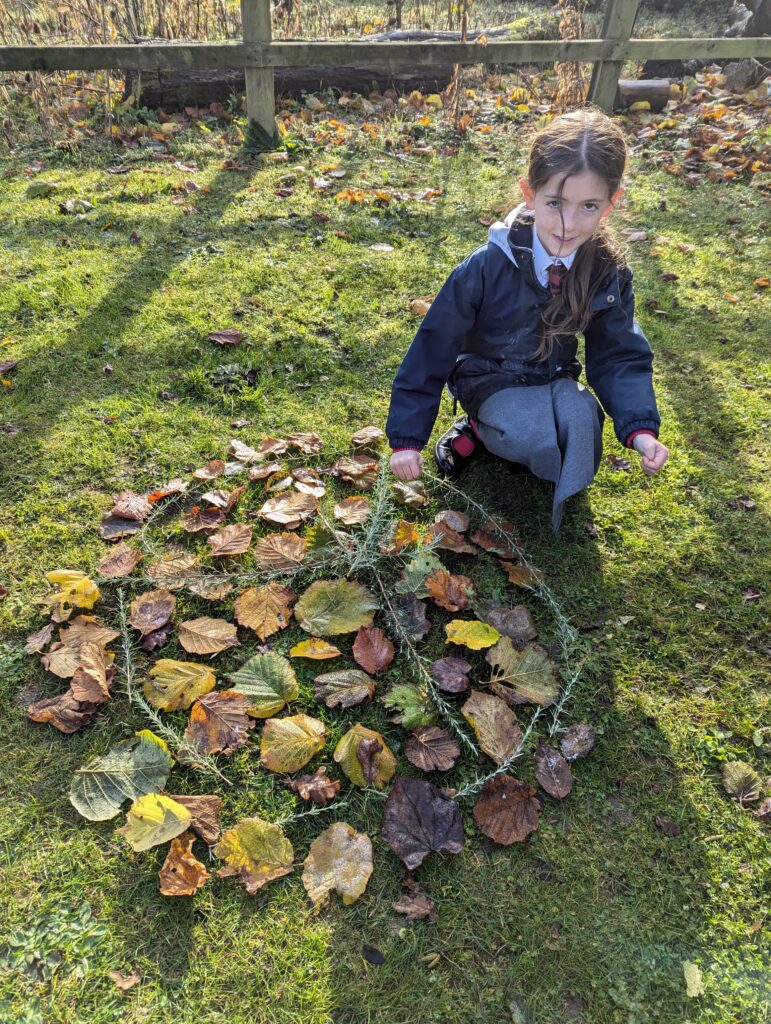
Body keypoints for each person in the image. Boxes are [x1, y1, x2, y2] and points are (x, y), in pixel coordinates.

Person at [386, 107, 669, 531]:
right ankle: (481, 430)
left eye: (588, 206)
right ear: (529, 192)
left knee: (582, 424)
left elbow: (620, 354)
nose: (568, 224)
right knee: (528, 433)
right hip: (489, 377)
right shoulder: (485, 266)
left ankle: (540, 448)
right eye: (555, 203)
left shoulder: (607, 271)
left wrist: (639, 429)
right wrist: (408, 439)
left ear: (611, 204)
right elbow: (434, 345)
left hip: (553, 376)